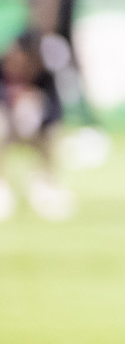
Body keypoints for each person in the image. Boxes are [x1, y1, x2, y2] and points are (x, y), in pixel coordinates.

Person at [0, 30, 74, 221]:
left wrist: (34, 105)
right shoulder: (2, 73)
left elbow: (56, 116)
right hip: (7, 127)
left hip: (36, 131)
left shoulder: (44, 78)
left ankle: (45, 183)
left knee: (53, 133)